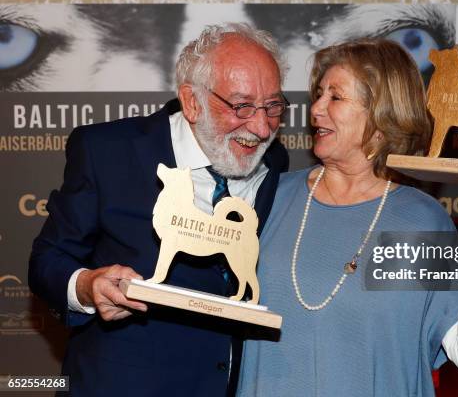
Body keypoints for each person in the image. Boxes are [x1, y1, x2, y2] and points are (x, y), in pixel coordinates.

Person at [237, 38, 458, 396]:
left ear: (381, 116)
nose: (315, 109)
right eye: (319, 93)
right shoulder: (267, 198)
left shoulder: (420, 221)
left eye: (336, 97)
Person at [28, 23, 289, 396]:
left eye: (273, 105)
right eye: (242, 106)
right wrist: (86, 286)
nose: (262, 128)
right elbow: (48, 259)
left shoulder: (275, 162)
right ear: (193, 101)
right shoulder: (108, 151)